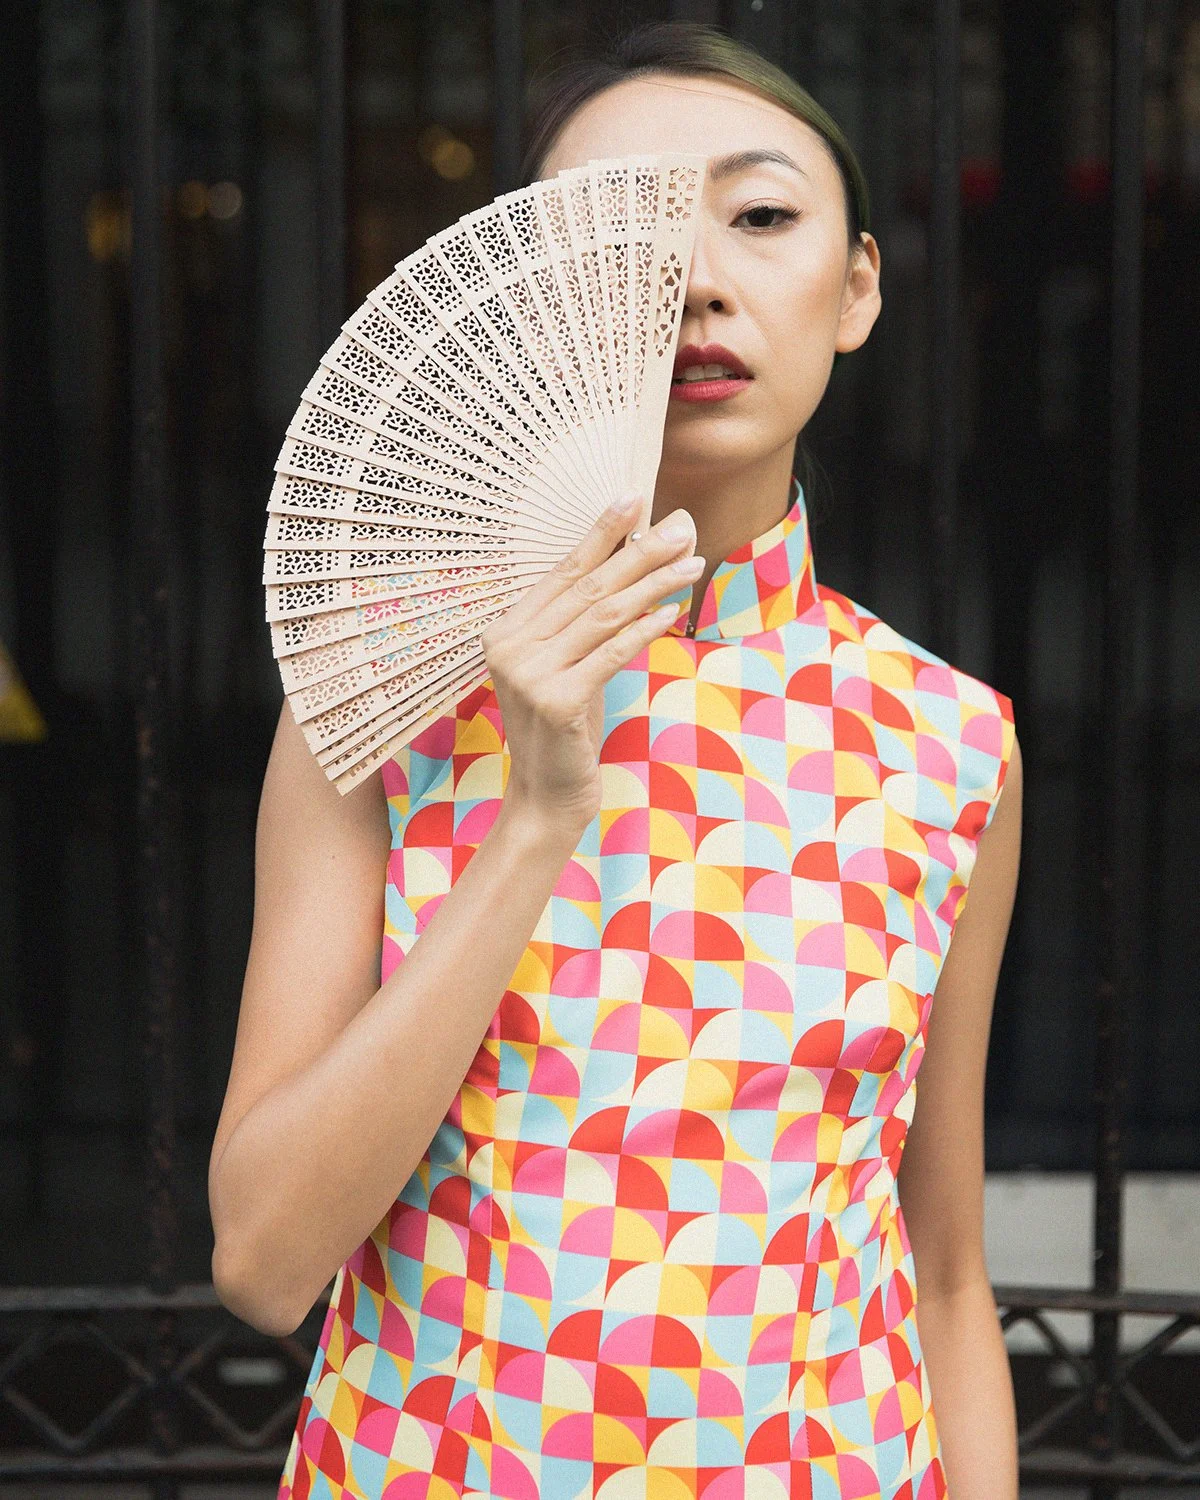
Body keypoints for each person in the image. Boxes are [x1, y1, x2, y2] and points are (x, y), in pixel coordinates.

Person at [209, 19, 1022, 1500]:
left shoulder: (948, 740)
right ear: (537, 297)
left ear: (857, 288)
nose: (698, 277)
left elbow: (948, 1274)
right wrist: (534, 817)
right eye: (623, 229)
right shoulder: (388, 688)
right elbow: (264, 1262)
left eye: (760, 215)